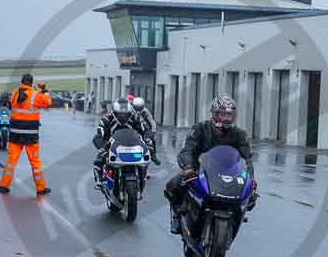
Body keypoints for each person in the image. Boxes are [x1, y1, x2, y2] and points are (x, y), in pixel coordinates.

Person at [164, 96, 257, 235]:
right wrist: (188, 167)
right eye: (223, 114)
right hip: (199, 170)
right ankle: (177, 215)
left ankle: (237, 218)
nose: (226, 118)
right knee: (173, 186)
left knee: (251, 195)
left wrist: (250, 178)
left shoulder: (239, 134)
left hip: (228, 173)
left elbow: (247, 158)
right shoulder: (200, 129)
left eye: (230, 115)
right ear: (214, 113)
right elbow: (188, 150)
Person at [0, 74, 53, 196]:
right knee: (35, 162)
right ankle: (40, 188)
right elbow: (48, 103)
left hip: (15, 134)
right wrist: (44, 89)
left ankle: (4, 186)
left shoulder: (14, 94)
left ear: (22, 82)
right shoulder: (35, 95)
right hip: (30, 136)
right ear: (31, 82)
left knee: (11, 161)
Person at [92, 97, 148, 189]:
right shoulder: (106, 119)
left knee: (145, 159)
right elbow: (99, 134)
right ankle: (99, 180)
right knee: (98, 160)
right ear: (114, 112)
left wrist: (148, 140)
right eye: (120, 114)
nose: (123, 117)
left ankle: (143, 175)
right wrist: (101, 147)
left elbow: (145, 131)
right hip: (110, 146)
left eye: (126, 114)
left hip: (132, 145)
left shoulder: (135, 118)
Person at [131, 97, 161, 165]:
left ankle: (153, 155)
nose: (138, 110)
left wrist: (153, 131)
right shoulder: (129, 110)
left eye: (140, 108)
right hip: (131, 129)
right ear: (133, 106)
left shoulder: (145, 111)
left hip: (142, 129)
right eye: (136, 108)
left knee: (150, 140)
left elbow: (151, 121)